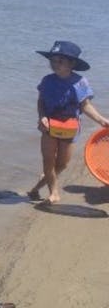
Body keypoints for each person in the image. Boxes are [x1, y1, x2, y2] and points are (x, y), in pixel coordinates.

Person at [27, 41, 109, 205]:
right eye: (52, 60)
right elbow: (41, 101)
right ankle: (54, 193)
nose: (55, 64)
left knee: (62, 164)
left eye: (60, 61)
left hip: (70, 129)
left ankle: (36, 187)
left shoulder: (80, 82)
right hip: (48, 127)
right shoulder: (47, 81)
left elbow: (85, 105)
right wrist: (42, 116)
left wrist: (102, 120)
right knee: (48, 161)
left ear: (72, 64)